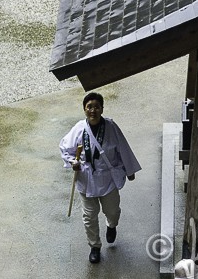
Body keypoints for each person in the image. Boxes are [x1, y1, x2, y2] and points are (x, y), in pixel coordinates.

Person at [60, 92, 141, 263]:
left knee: (112, 211)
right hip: (86, 179)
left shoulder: (111, 127)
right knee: (89, 216)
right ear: (84, 109)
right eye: (89, 107)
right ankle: (94, 246)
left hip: (107, 178)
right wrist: (73, 162)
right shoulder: (79, 128)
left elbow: (123, 148)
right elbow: (65, 148)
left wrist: (130, 169)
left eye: (97, 107)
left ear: (102, 108)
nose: (93, 110)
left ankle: (112, 225)